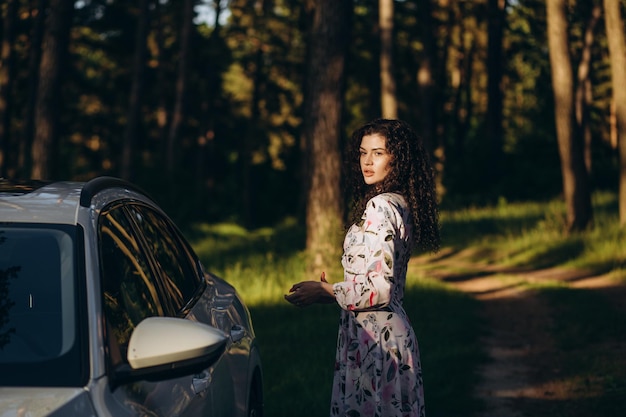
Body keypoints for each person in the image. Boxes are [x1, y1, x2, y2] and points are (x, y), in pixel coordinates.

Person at [285, 118, 440, 417]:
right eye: (362, 152)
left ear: (398, 159)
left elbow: (380, 290)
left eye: (378, 153)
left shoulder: (381, 207)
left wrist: (326, 291)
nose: (367, 162)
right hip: (374, 336)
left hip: (377, 340)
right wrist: (344, 283)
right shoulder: (399, 203)